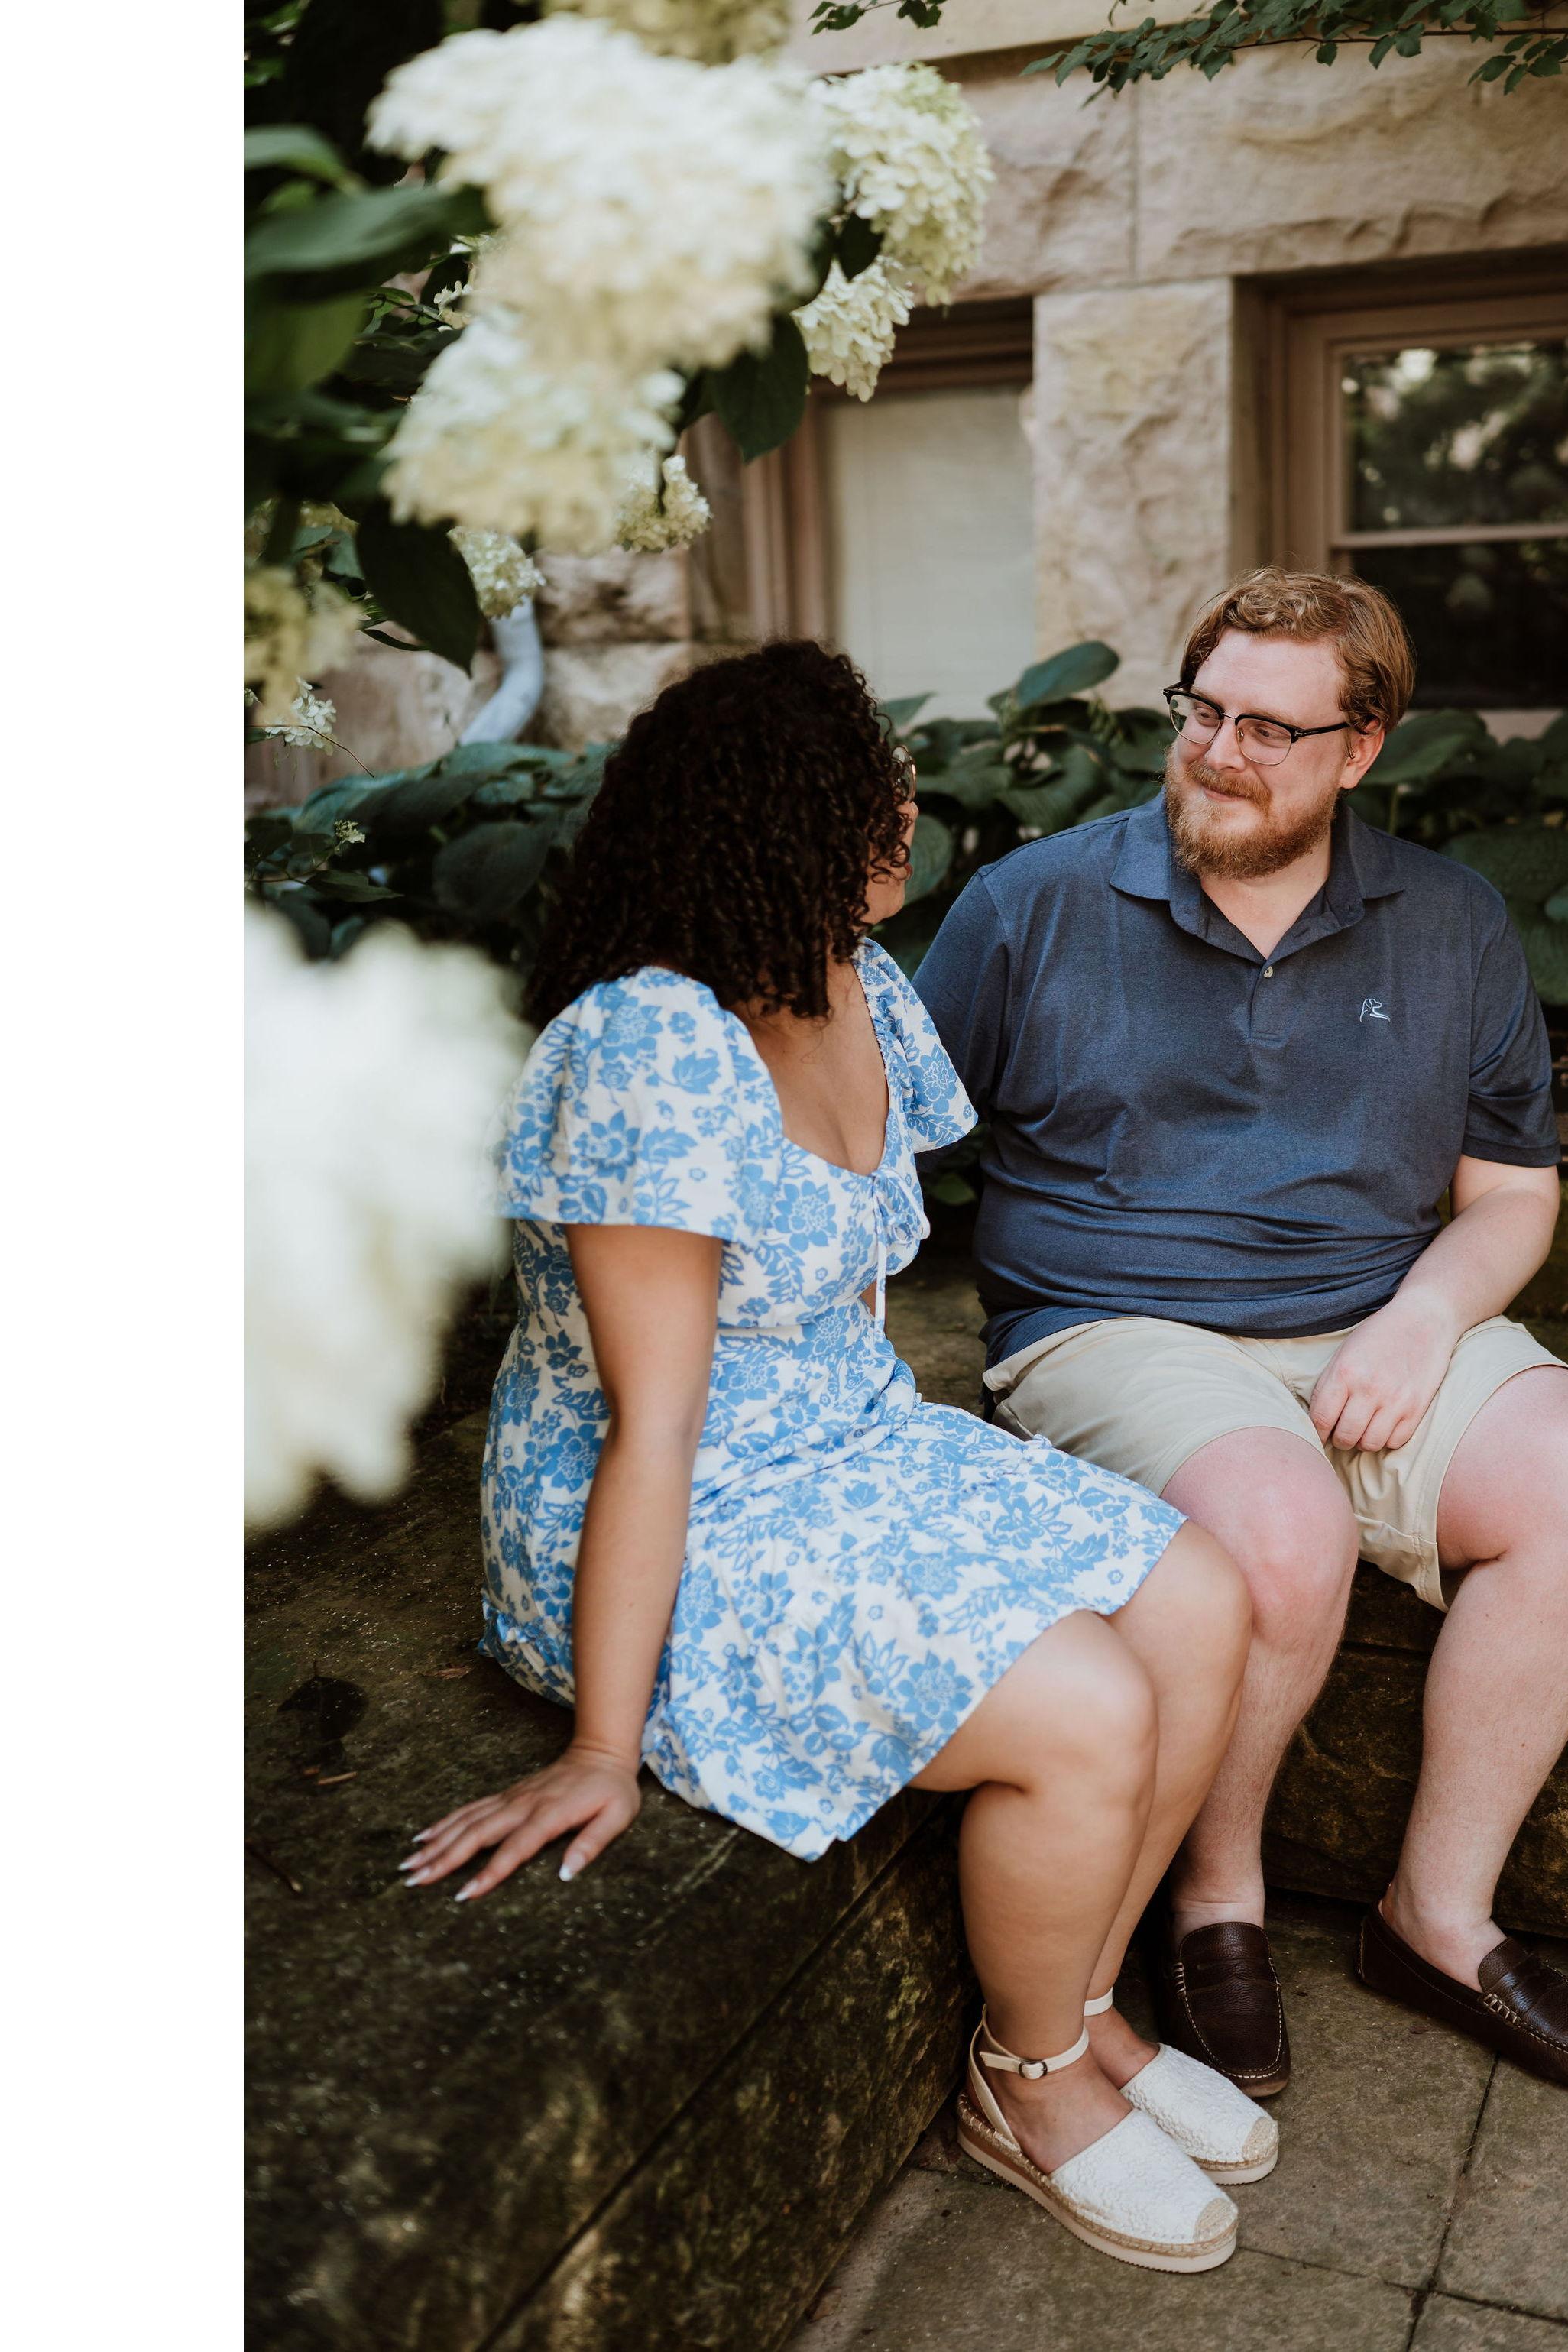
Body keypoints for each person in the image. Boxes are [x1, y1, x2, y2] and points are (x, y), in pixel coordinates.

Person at [400, 640, 1275, 2274]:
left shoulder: (851, 976)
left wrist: (926, 1488)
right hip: (673, 1499)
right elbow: (655, 1424)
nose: (905, 807)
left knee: (1200, 1596)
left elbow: (851, 1309)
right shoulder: (649, 1048)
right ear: (774, 826)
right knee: (1084, 1707)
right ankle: (1024, 2085)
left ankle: (1085, 2008)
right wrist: (601, 1744)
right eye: (868, 787)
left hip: (841, 1436)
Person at [913, 571, 1568, 2101]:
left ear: (1361, 748)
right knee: (1280, 1527)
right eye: (1202, 711)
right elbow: (879, 1145)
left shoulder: (1450, 921)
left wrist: (1425, 1318)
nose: (1218, 751)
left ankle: (1436, 1919)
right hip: (1116, 1323)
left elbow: (1514, 1196)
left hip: (1377, 1313)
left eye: (1270, 727)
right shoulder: (1031, 905)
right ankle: (1217, 1903)